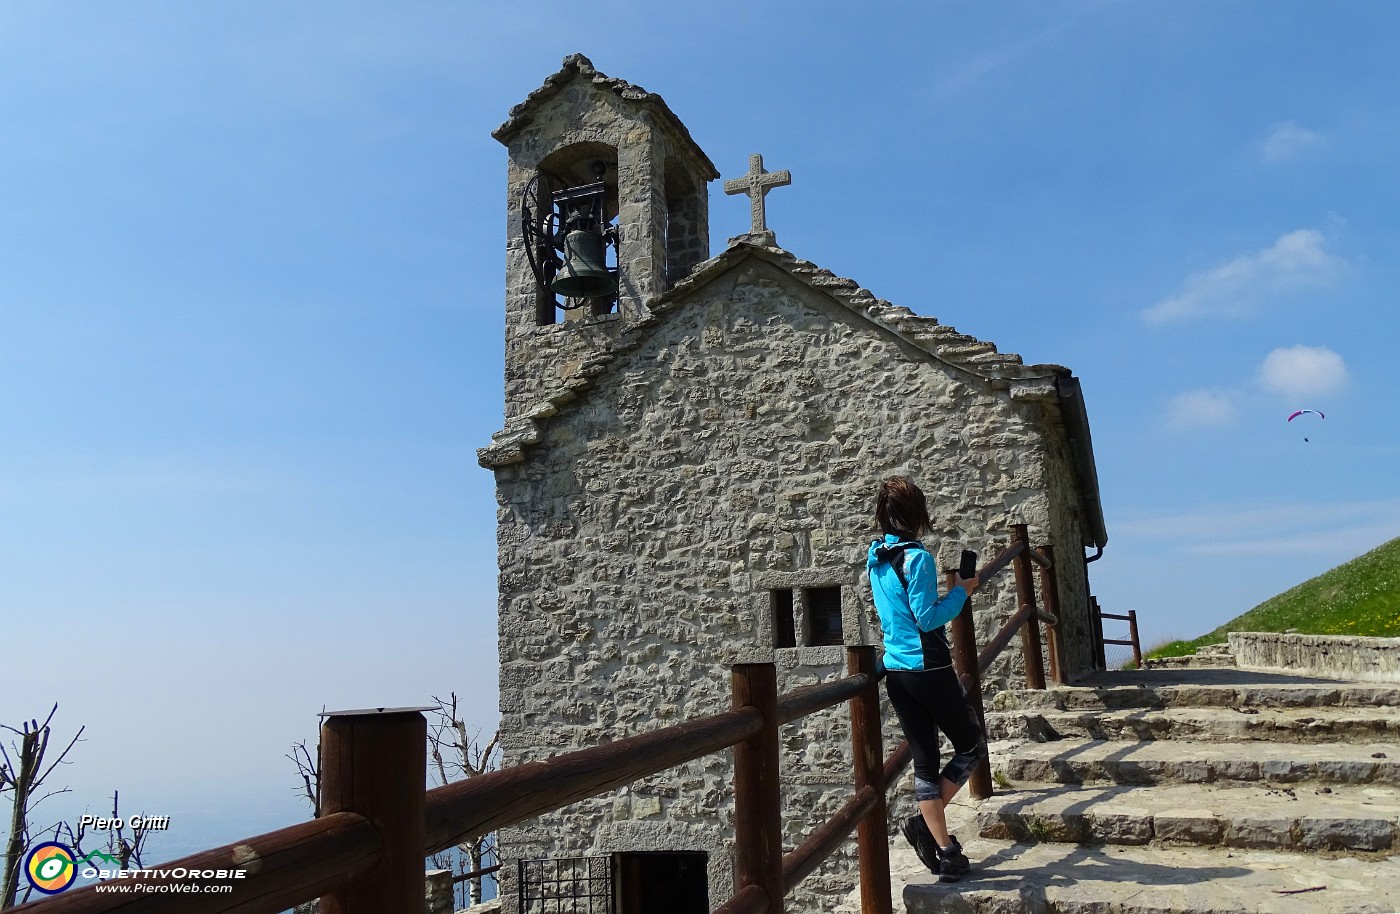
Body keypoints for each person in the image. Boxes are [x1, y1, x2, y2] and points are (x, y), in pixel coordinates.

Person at [867, 475, 984, 882]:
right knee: (970, 746)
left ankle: (947, 851)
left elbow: (896, 618)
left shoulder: (876, 558)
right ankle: (923, 825)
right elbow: (927, 617)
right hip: (930, 671)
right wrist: (961, 592)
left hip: (896, 674)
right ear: (918, 515)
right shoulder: (917, 559)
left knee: (924, 759)